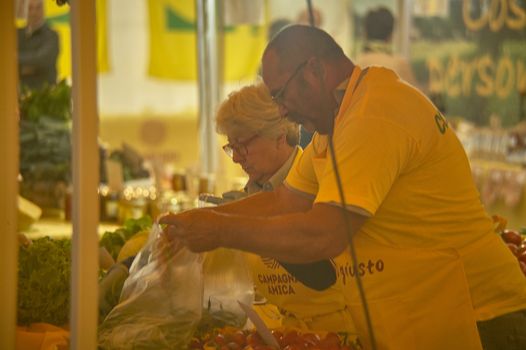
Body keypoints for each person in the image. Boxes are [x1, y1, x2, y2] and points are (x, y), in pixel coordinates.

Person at [161, 25, 526, 349]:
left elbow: (324, 235)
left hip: (483, 319)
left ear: (315, 70)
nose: (282, 112)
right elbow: (285, 202)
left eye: (281, 94)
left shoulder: (373, 115)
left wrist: (220, 230)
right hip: (427, 318)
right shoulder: (336, 124)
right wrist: (198, 220)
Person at [215, 83, 355, 333]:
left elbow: (323, 273)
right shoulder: (248, 197)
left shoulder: (323, 181)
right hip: (285, 330)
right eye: (231, 147)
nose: (236, 158)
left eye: (242, 145)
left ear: (279, 135)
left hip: (341, 333)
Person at [355, 6, 419, 88]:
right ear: (391, 35)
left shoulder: (356, 64)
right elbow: (416, 97)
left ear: (365, 33)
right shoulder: (399, 65)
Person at [17, 0, 59, 90]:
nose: (34, 12)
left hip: (44, 95)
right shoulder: (16, 35)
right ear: (24, 11)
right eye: (30, 8)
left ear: (43, 10)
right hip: (18, 94)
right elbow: (6, 61)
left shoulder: (52, 36)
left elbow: (42, 60)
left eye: (38, 8)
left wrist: (16, 61)